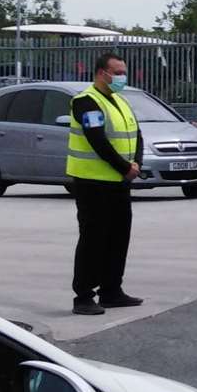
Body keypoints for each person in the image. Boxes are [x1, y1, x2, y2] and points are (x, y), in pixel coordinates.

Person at [67, 53, 144, 315]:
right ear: (102, 73)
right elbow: (97, 140)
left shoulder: (119, 101)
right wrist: (125, 167)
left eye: (124, 72)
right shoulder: (86, 102)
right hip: (92, 183)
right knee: (93, 239)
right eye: (118, 72)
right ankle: (84, 296)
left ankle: (111, 291)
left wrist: (136, 164)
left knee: (118, 237)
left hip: (119, 182)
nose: (122, 77)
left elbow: (136, 135)